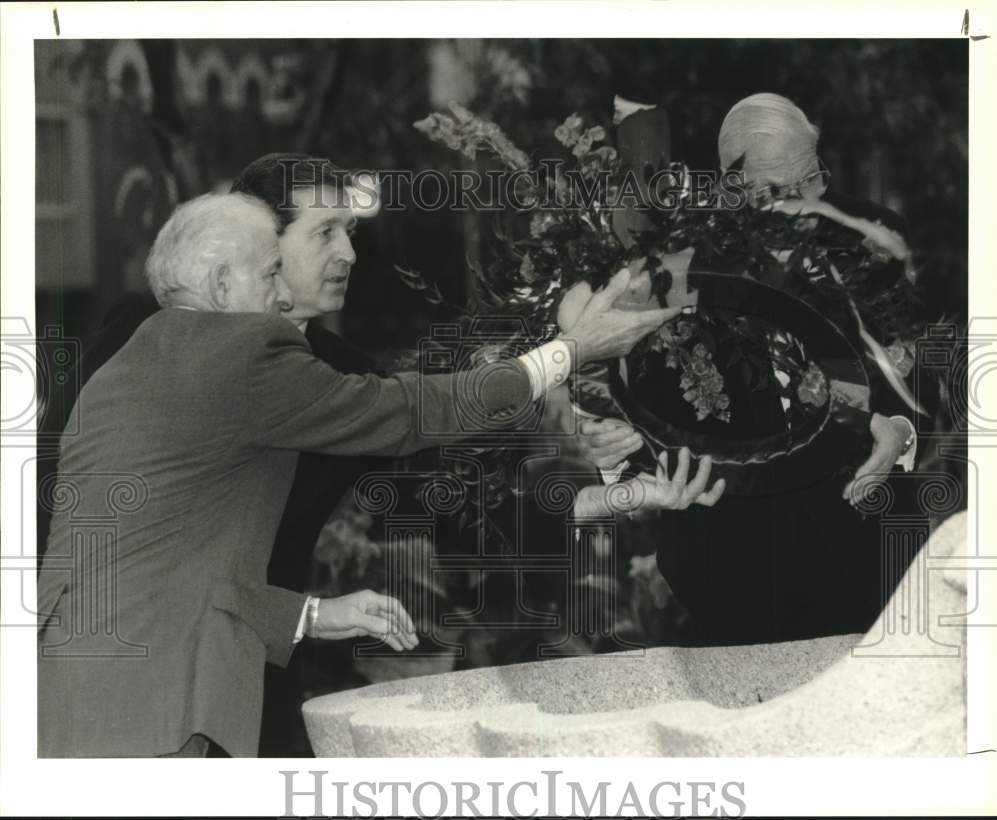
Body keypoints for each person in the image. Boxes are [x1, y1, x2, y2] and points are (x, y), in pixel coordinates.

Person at [36, 188, 681, 757]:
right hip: (161, 711)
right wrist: (567, 354)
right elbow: (408, 413)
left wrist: (315, 614)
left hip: (65, 698)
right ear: (223, 283)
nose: (284, 291)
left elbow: (157, 561)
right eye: (276, 267)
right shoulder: (244, 349)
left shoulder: (123, 365)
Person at [578, 93, 936, 645]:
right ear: (730, 187)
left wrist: (900, 430)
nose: (802, 203)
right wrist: (612, 450)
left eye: (811, 178)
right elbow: (637, 406)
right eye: (776, 191)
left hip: (872, 546)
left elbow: (914, 370)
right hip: (734, 566)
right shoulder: (673, 267)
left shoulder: (874, 235)